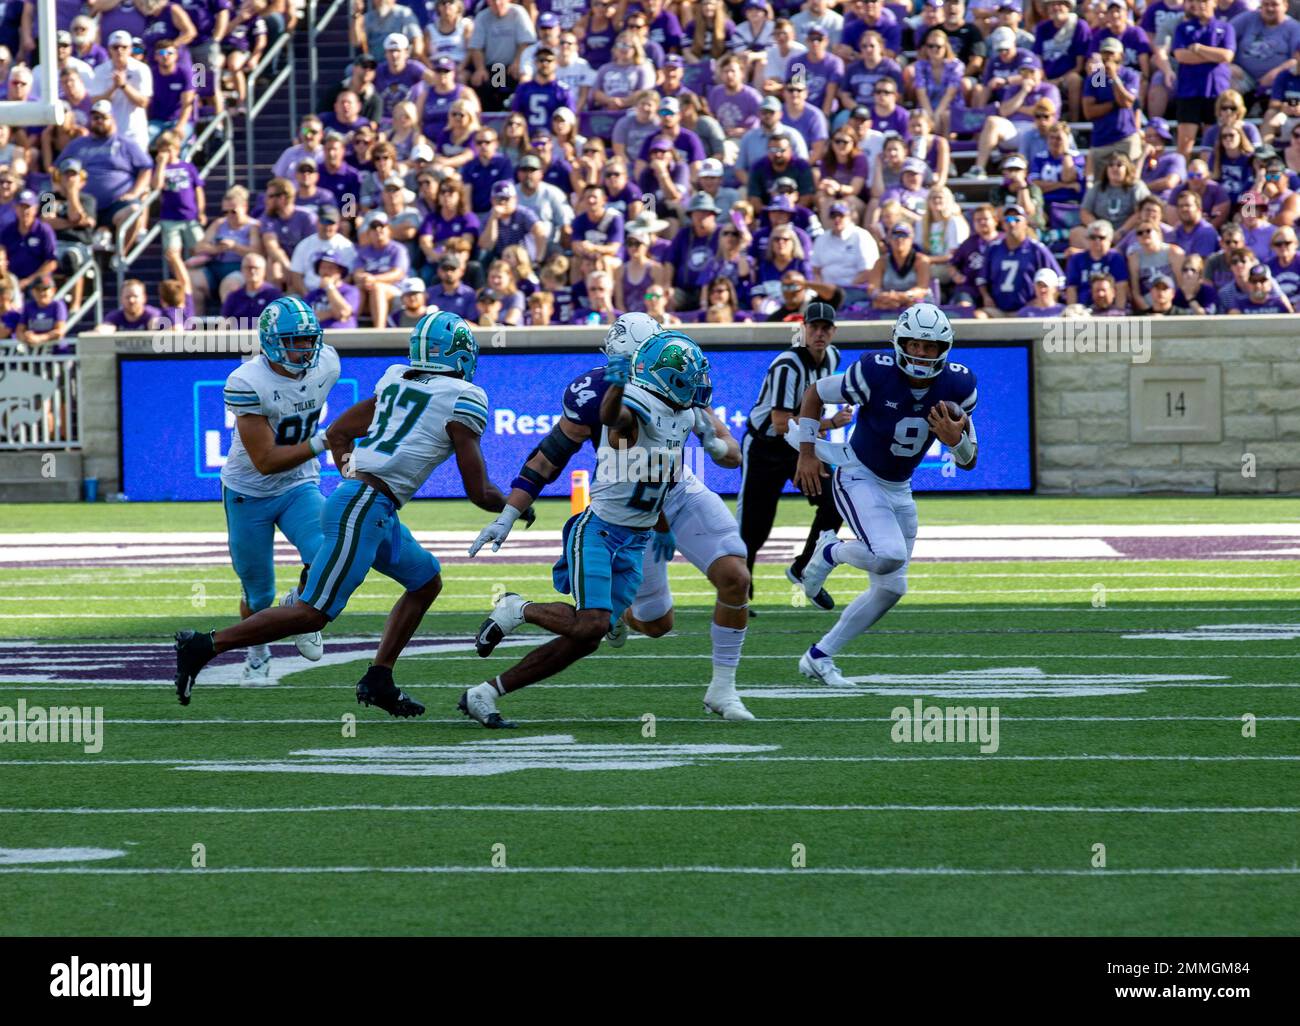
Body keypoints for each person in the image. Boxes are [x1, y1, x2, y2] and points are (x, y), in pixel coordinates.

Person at [174, 311, 519, 714]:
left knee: (425, 580)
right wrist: (513, 506)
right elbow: (479, 490)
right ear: (461, 355)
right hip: (363, 507)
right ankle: (204, 645)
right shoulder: (466, 397)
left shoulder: (396, 378)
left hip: (370, 504)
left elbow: (338, 433)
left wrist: (346, 467)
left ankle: (379, 678)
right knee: (313, 613)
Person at [469, 314, 753, 720]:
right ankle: (586, 613)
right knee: (652, 625)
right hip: (626, 508)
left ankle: (722, 690)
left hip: (675, 490)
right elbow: (551, 454)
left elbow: (731, 452)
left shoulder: (676, 383)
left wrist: (717, 445)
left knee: (736, 578)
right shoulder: (606, 394)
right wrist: (509, 513)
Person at [793, 303, 977, 686]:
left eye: (930, 346)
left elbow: (969, 461)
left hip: (899, 486)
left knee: (893, 587)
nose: (921, 353)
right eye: (914, 344)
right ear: (899, 342)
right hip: (858, 473)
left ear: (944, 348)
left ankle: (819, 656)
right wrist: (808, 453)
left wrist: (956, 441)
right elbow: (814, 393)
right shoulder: (875, 372)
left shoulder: (958, 386)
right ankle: (830, 551)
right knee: (890, 555)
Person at [738, 301, 849, 612]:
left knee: (835, 500)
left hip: (801, 444)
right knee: (754, 528)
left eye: (825, 328)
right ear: (804, 329)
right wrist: (828, 424)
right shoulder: (788, 365)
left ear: (833, 332)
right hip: (766, 447)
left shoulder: (832, 358)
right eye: (813, 327)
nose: (819, 333)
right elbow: (779, 422)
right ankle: (738, 594)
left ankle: (804, 567)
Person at [978, 202, 1062, 314]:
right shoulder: (993, 249)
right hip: (997, 310)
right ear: (1002, 224)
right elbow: (982, 279)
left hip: (1029, 312)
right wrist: (986, 297)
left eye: (1017, 220)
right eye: (1008, 219)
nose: (1012, 223)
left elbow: (1059, 280)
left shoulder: (1036, 249)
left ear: (1025, 223)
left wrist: (1038, 301)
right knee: (980, 316)